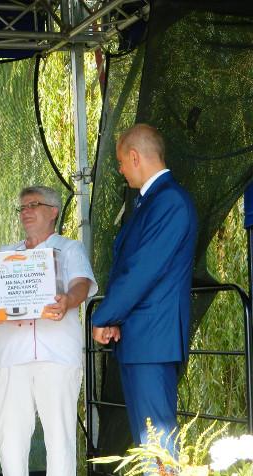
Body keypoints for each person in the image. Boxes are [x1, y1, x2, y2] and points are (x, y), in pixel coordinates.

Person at [91, 124, 198, 452]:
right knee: (149, 445)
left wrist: (103, 316)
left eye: (121, 162)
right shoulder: (152, 201)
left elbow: (141, 271)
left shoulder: (168, 201)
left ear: (135, 157)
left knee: (158, 446)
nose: (121, 170)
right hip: (142, 340)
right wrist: (114, 317)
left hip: (153, 341)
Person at [0, 186, 97, 476]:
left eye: (33, 205)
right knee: (10, 437)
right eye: (22, 207)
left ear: (53, 211)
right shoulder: (6, 253)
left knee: (60, 437)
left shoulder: (70, 249)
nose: (26, 212)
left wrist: (68, 300)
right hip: (13, 355)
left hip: (56, 354)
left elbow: (81, 284)